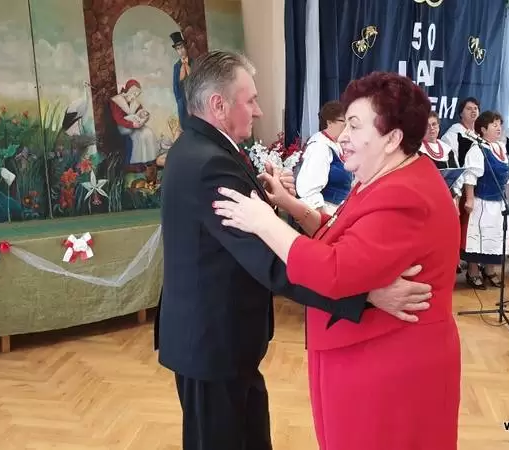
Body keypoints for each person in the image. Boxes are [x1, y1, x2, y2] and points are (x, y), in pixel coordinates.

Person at [155, 52, 434, 450]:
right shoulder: (209, 164)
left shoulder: (200, 148)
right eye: (250, 100)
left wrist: (275, 199)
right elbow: (270, 262)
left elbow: (244, 235)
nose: (259, 110)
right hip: (212, 345)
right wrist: (366, 296)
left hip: (218, 339)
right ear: (218, 105)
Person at [213, 71, 461, 450]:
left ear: (392, 139)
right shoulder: (385, 176)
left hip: (389, 364)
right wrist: (291, 204)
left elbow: (334, 270)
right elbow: (345, 234)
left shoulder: (405, 194)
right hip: (367, 352)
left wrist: (264, 222)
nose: (343, 136)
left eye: (355, 126)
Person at [461, 111, 509, 289]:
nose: (498, 128)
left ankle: (489, 270)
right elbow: (470, 176)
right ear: (482, 129)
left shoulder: (501, 148)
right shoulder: (477, 149)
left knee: (495, 237)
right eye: (494, 124)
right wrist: (469, 199)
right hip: (482, 201)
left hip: (498, 202)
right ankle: (473, 271)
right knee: (478, 237)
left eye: (499, 124)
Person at [295, 100, 351, 214]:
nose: (346, 127)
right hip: (328, 211)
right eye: (343, 122)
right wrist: (323, 217)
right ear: (329, 122)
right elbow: (308, 190)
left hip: (339, 211)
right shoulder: (319, 147)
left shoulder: (335, 145)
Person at [441, 96, 479, 165]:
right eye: (469, 109)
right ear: (461, 113)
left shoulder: (479, 134)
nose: (473, 111)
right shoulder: (453, 133)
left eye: (475, 108)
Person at [171, 31, 193, 130]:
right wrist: (179, 100)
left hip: (193, 99)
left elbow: (198, 81)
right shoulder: (176, 66)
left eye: (182, 47)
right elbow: (175, 86)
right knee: (184, 125)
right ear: (176, 51)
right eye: (178, 49)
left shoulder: (194, 63)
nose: (181, 51)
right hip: (182, 101)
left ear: (186, 48)